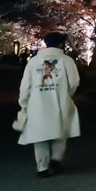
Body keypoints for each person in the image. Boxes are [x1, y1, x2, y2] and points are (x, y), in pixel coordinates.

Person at [17, 32, 81, 178]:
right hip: (61, 102)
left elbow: (25, 85)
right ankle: (56, 160)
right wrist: (67, 94)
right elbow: (74, 82)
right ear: (60, 44)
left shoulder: (33, 62)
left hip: (37, 104)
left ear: (45, 43)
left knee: (40, 136)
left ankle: (42, 167)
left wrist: (23, 102)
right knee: (61, 132)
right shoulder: (66, 60)